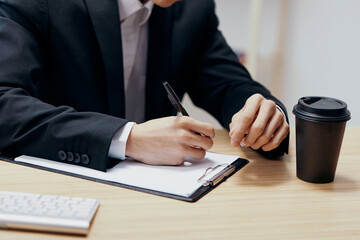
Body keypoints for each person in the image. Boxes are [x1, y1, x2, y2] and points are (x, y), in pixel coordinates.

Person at [0, 0, 289, 172]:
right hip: (59, 191)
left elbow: (229, 86)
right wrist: (128, 139)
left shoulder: (192, 9)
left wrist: (265, 114)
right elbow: (4, 106)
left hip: (159, 199)